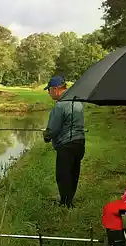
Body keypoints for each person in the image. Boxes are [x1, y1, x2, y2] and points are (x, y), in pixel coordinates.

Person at [43, 75, 86, 208]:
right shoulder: (77, 101)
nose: (49, 93)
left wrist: (46, 135)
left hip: (66, 145)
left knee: (63, 175)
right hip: (80, 143)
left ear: (55, 89)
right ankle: (69, 199)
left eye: (49, 90)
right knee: (74, 172)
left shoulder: (60, 106)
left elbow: (53, 129)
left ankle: (66, 204)